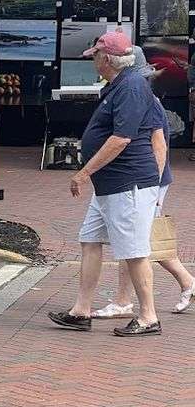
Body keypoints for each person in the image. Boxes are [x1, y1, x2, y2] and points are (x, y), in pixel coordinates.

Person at [48, 31, 164, 337]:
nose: (93, 60)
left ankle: (149, 316)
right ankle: (81, 310)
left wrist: (83, 172)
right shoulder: (117, 86)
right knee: (89, 239)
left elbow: (121, 139)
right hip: (110, 185)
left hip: (129, 183)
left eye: (96, 55)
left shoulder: (131, 88)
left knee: (134, 251)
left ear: (108, 59)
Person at [93, 99, 195, 317]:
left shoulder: (143, 102)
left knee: (135, 241)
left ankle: (126, 301)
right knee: (136, 240)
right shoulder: (136, 100)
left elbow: (158, 145)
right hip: (139, 180)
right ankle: (186, 282)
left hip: (144, 181)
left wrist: (154, 189)